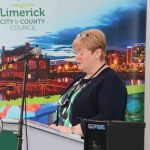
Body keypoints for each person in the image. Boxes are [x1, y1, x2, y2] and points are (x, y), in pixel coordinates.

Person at [50, 29, 127, 137]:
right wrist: (54, 127)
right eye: (76, 53)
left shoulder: (111, 80)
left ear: (97, 53)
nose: (77, 57)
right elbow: (67, 114)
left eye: (81, 53)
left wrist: (73, 130)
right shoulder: (80, 79)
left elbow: (110, 117)